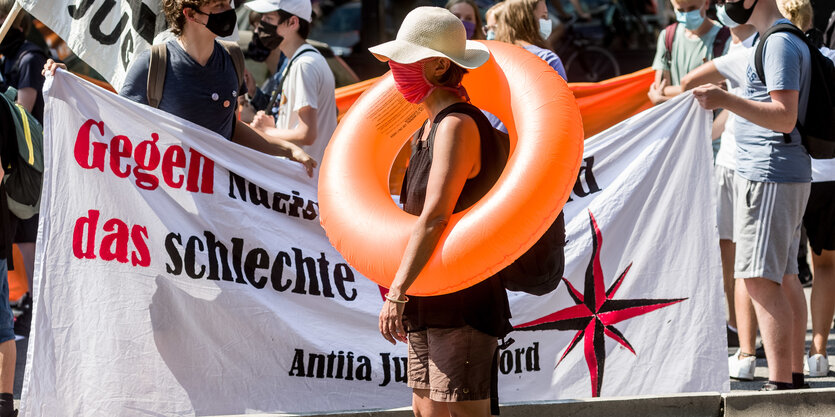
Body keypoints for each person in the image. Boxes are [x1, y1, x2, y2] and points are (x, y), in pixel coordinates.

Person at [371, 7, 511, 416]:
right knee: (425, 411)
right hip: (426, 296)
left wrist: (396, 292)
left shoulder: (456, 125)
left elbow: (435, 216)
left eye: (404, 60)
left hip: (461, 298)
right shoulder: (426, 128)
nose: (395, 69)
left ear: (436, 66)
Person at [45, 0, 316, 177]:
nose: (228, 12)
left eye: (227, 4)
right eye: (218, 6)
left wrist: (285, 149)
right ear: (190, 14)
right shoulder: (153, 63)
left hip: (221, 203)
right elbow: (115, 127)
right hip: (172, 209)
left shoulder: (233, 58)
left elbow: (230, 129)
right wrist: (71, 87)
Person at [693, 0, 811, 391]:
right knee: (782, 275)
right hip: (777, 173)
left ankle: (780, 386)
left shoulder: (776, 43)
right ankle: (792, 376)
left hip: (770, 173)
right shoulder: (774, 39)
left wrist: (725, 99)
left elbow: (784, 115)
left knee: (759, 279)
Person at [678, 13, 759, 378]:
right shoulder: (738, 47)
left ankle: (746, 348)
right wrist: (699, 136)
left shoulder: (752, 49)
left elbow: (688, 82)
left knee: (750, 266)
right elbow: (728, 115)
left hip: (750, 170)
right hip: (727, 164)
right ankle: (735, 332)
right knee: (728, 255)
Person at [775, 0, 835, 379]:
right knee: (826, 266)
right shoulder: (829, 56)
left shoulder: (775, 51)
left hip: (786, 172)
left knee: (782, 270)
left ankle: (783, 355)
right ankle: (818, 353)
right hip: (829, 173)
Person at [246, 0, 337, 177]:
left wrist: (266, 131)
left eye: (269, 18)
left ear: (293, 23)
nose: (262, 24)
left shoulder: (305, 65)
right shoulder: (298, 61)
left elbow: (307, 133)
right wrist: (273, 125)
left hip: (305, 179)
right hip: (303, 178)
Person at [0, 1, 45, 326]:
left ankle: (36, 300)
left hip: (31, 161)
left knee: (28, 233)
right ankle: (30, 297)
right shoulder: (10, 57)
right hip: (15, 158)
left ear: (15, 23)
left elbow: (23, 110)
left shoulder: (29, 57)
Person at [648, 0, 726, 104]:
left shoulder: (725, 38)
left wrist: (669, 95)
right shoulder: (667, 36)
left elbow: (724, 91)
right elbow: (661, 89)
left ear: (706, 3)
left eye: (692, 9)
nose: (686, 15)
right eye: (680, 10)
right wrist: (703, 89)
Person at [489, 0, 567, 79]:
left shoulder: (493, 58)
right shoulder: (547, 58)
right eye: (543, 16)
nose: (547, 22)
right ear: (527, 21)